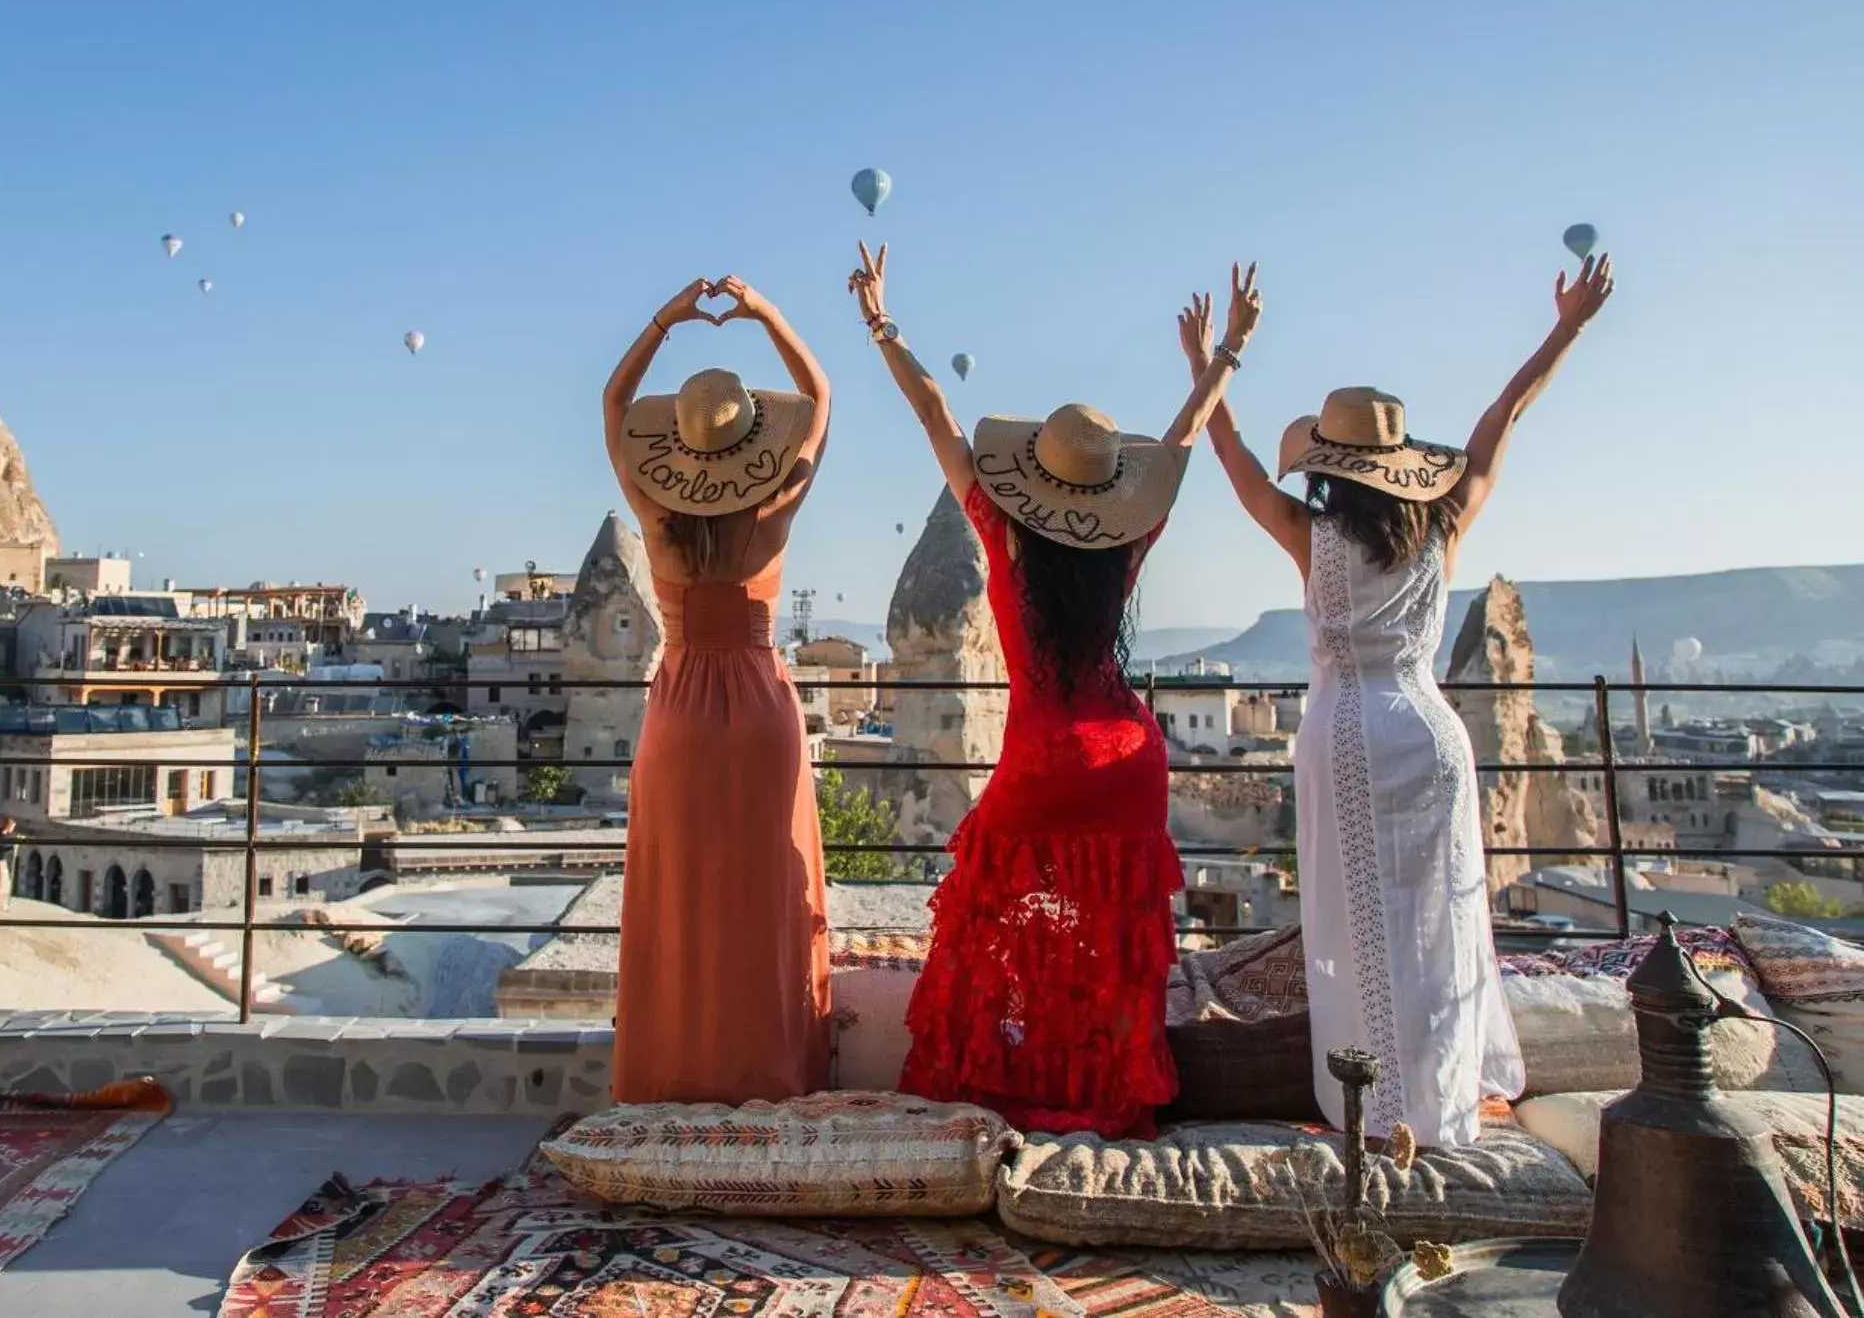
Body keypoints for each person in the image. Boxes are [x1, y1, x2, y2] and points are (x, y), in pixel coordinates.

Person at [1187, 254, 1615, 1148]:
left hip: (1344, 733)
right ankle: (1440, 1098)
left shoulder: (1310, 533)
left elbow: (1229, 459)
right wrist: (1566, 328)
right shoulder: (1444, 525)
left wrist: (1212, 365)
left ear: (1330, 466)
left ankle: (1372, 1108)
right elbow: (1501, 420)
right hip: (1429, 734)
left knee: (1353, 926)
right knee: (1441, 922)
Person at [852, 243, 1259, 1135]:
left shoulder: (1001, 537)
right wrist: (1221, 356)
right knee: (1108, 938)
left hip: (1042, 758)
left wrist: (883, 325)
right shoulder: (1124, 547)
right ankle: (1100, 1096)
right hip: (1126, 757)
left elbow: (935, 414)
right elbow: (1181, 446)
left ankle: (1011, 1091)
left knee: (997, 930)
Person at [603, 274, 833, 1103]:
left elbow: (612, 403)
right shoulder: (772, 521)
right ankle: (767, 1074)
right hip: (763, 716)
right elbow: (820, 395)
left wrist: (666, 317)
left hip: (680, 717)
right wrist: (766, 310)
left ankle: (676, 1074)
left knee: (682, 896)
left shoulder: (657, 525)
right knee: (763, 895)